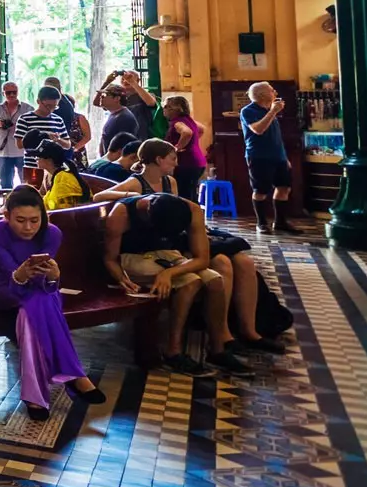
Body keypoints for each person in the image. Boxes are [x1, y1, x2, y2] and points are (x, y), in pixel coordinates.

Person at [0, 187, 105, 419]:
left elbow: (45, 277)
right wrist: (22, 275)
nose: (28, 227)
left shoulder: (52, 233)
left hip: (40, 290)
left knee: (31, 311)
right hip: (4, 289)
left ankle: (35, 396)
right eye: (20, 220)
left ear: (43, 216)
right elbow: (11, 271)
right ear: (6, 216)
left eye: (34, 220)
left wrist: (53, 276)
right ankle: (76, 375)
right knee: (41, 302)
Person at [99, 193, 246, 376]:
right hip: (131, 258)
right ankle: (173, 351)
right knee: (191, 282)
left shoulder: (191, 209)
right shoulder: (121, 215)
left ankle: (217, 350)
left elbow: (202, 259)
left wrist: (169, 273)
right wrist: (122, 279)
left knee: (215, 281)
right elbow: (110, 259)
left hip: (167, 255)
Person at [241, 82, 302, 234]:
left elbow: (277, 138)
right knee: (260, 190)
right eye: (271, 90)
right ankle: (261, 223)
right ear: (261, 94)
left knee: (284, 188)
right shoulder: (248, 111)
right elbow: (258, 129)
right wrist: (273, 112)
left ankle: (280, 222)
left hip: (278, 156)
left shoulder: (270, 111)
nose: (275, 92)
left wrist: (284, 157)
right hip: (259, 156)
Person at [94, 138, 179, 199]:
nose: (176, 164)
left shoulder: (171, 181)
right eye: (173, 159)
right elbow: (98, 196)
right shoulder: (135, 183)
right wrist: (130, 195)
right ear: (159, 160)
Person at [161, 93, 208, 202]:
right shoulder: (188, 119)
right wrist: (192, 143)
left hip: (186, 163)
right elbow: (201, 129)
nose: (164, 109)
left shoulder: (177, 122)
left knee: (184, 195)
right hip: (197, 161)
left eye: (166, 106)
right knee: (190, 193)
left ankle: (188, 217)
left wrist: (176, 148)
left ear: (175, 109)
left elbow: (187, 133)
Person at [0, 82, 28, 188]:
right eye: (8, 92)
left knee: (27, 182)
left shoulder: (27, 108)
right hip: (4, 151)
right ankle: (6, 203)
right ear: (3, 93)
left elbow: (34, 126)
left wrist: (19, 127)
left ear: (18, 92)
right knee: (5, 184)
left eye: (14, 92)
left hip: (23, 151)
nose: (11, 95)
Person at [14, 86, 72, 158]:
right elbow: (19, 145)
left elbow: (68, 145)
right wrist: (40, 137)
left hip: (52, 166)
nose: (50, 110)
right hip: (32, 166)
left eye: (54, 107)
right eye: (48, 106)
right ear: (38, 101)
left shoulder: (58, 120)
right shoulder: (25, 119)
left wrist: (58, 140)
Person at [34, 138, 91, 210]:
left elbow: (66, 212)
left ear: (49, 160)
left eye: (38, 156)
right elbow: (41, 194)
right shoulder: (49, 174)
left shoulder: (63, 179)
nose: (36, 159)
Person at [93, 87, 140, 155]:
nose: (101, 97)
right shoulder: (114, 114)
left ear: (117, 98)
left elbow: (123, 147)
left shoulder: (124, 118)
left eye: (105, 95)